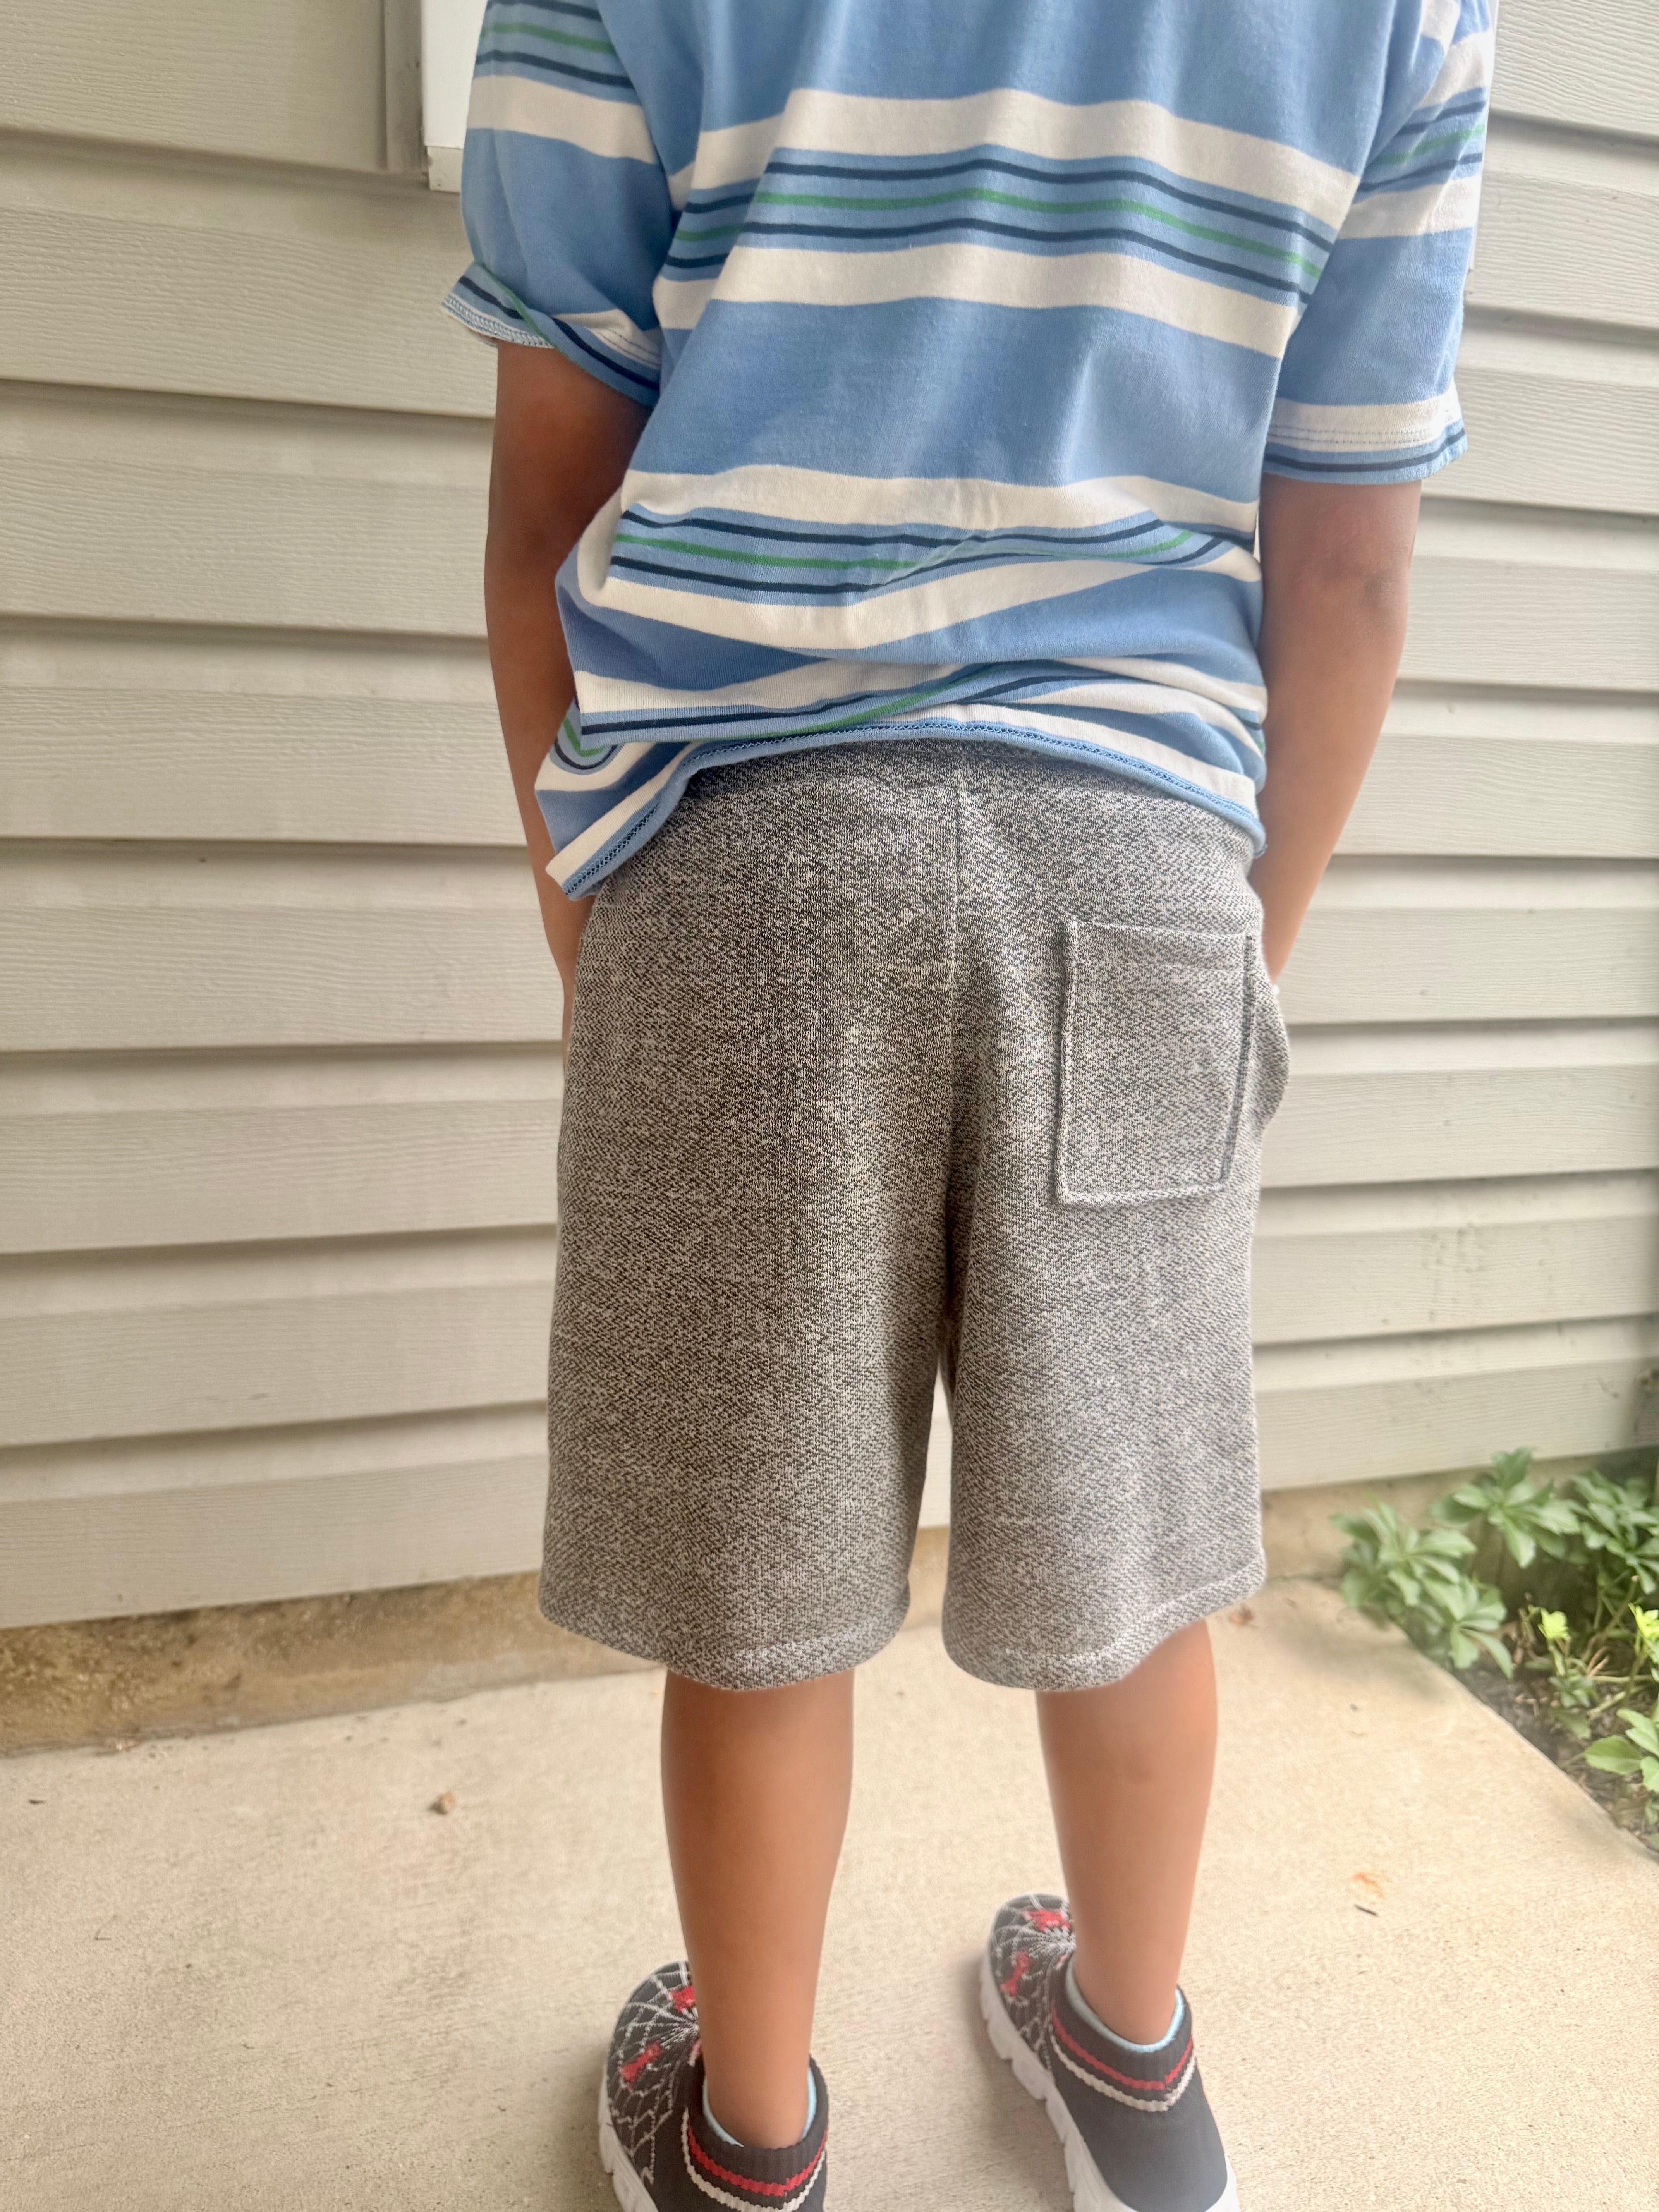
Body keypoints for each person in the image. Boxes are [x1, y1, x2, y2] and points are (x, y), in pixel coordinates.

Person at [445, 2, 1490, 2203]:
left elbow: (550, 512)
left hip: (741, 863)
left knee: (761, 1585)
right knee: (1134, 1554)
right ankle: (1130, 2069)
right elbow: (1352, 568)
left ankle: (749, 2142)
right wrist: (1237, 939)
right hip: (1140, 853)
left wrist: (596, 931)